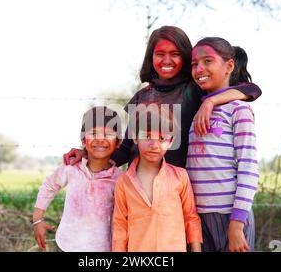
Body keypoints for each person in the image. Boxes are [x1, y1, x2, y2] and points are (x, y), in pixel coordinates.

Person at [63, 25, 262, 169]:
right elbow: (126, 148)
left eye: (175, 53)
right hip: (139, 189)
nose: (167, 60)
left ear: (185, 57)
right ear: (151, 56)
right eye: (160, 54)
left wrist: (211, 101)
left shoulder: (194, 90)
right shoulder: (142, 97)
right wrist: (88, 155)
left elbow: (252, 89)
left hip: (177, 189)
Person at [187, 37, 259, 252]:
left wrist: (237, 223)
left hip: (231, 215)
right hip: (198, 217)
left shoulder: (239, 110)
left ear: (229, 66)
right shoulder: (196, 110)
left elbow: (249, 168)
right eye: (194, 64)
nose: (199, 68)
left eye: (208, 61)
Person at [32, 106, 123, 252]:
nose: (100, 139)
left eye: (108, 134)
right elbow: (49, 186)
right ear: (82, 140)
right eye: (93, 133)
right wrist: (37, 218)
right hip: (65, 245)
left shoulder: (120, 179)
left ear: (119, 142)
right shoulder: (71, 168)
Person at [112, 104, 202, 252]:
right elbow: (120, 225)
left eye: (161, 138)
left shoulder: (180, 177)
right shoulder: (123, 182)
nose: (154, 144)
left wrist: (196, 249)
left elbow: (191, 217)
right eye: (147, 136)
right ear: (135, 137)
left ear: (171, 141)